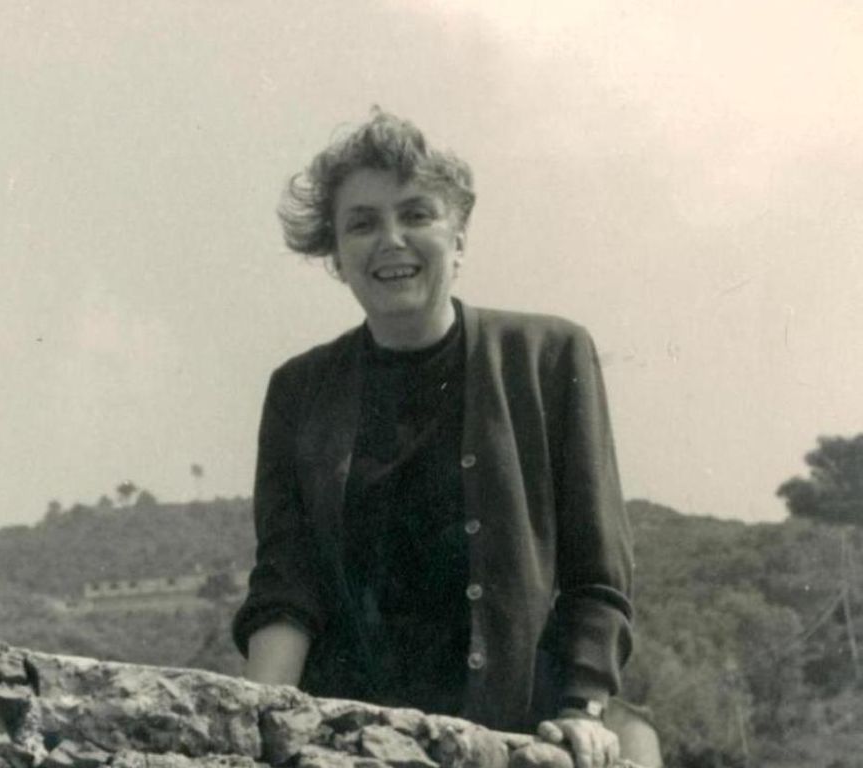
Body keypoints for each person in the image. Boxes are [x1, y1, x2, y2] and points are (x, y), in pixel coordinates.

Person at [233, 110, 643, 768]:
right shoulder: (298, 390)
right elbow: (288, 583)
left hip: (518, 733)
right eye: (362, 223)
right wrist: (256, 721)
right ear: (335, 256)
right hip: (352, 743)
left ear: (459, 236)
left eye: (416, 215)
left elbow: (596, 574)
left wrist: (582, 709)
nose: (391, 239)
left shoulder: (550, 356)